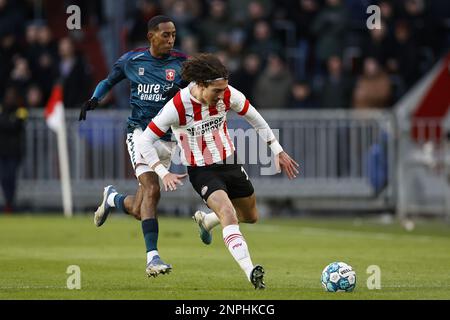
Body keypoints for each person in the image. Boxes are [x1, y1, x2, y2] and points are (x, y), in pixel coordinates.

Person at [136, 53, 299, 289]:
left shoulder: (227, 93)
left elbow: (255, 118)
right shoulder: (178, 106)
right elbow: (144, 141)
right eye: (217, 91)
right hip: (202, 171)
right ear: (201, 86)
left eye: (224, 89)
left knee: (251, 216)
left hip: (230, 163)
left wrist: (278, 150)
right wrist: (163, 173)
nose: (223, 95)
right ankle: (250, 270)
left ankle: (208, 221)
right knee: (228, 212)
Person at [78, 15, 188, 277]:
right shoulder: (132, 60)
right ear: (151, 36)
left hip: (167, 138)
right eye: (165, 35)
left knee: (140, 209)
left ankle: (113, 198)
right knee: (152, 189)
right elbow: (109, 80)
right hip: (139, 133)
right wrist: (94, 99)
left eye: (173, 34)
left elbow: (195, 89)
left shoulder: (182, 63)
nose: (171, 39)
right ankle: (153, 258)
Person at [0, 86, 28, 213]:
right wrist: (10, 122)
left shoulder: (21, 110)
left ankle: (10, 203)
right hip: (2, 151)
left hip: (14, 151)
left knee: (11, 177)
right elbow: (10, 124)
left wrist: (8, 122)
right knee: (4, 178)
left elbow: (17, 125)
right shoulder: (3, 109)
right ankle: (8, 202)